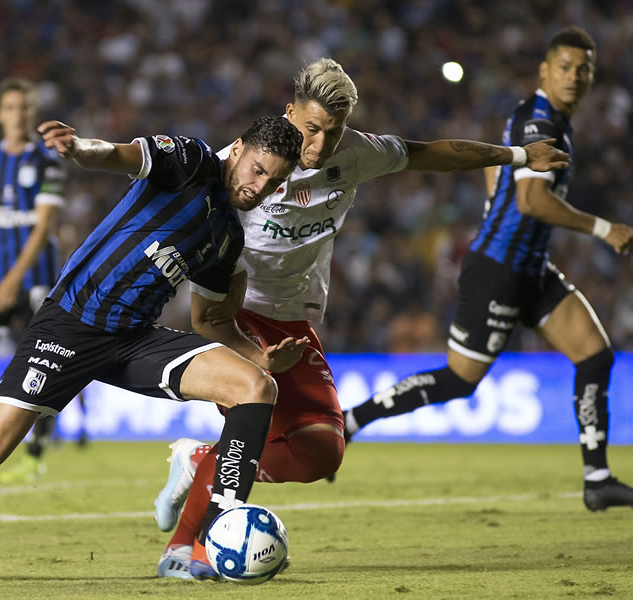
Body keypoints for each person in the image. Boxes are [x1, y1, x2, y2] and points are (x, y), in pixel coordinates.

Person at [153, 57, 572, 580]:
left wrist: (515, 154)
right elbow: (181, 208)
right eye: (311, 129)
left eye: (333, 132)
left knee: (323, 450)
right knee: (252, 423)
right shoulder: (247, 162)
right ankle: (182, 549)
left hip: (294, 319)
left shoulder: (357, 154)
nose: (321, 145)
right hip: (233, 314)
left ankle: (199, 462)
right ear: (289, 113)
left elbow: (433, 154)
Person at [0, 114, 305, 572]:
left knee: (257, 386)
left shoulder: (226, 239)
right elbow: (120, 155)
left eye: (273, 182)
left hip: (133, 339)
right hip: (71, 324)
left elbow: (209, 322)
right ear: (238, 150)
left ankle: (213, 536)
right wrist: (79, 149)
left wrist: (257, 355)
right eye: (258, 170)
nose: (259, 187)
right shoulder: (191, 160)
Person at [342, 26, 633, 511]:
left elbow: (497, 172)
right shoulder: (539, 118)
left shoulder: (551, 120)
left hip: (532, 269)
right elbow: (532, 199)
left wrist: (496, 201)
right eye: (565, 67)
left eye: (584, 70)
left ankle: (598, 477)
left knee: (596, 356)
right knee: (460, 380)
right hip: (497, 269)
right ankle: (352, 419)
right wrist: (603, 229)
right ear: (545, 69)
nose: (574, 77)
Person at [0, 77, 68, 482]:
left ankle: (36, 448)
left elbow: (43, 229)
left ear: (32, 114)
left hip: (34, 278)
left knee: (42, 362)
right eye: (11, 107)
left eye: (25, 108)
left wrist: (14, 280)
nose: (18, 114)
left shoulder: (47, 160)